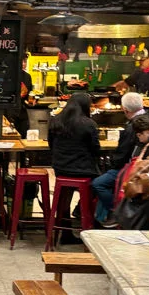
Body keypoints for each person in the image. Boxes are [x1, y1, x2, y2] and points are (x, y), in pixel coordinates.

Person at [48, 92, 101, 240]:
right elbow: (95, 150)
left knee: (65, 195)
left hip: (60, 168)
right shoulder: (89, 124)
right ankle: (87, 219)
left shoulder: (55, 121)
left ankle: (65, 230)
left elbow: (51, 145)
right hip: (83, 170)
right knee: (101, 183)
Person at [91, 94, 146, 222]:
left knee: (98, 184)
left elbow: (121, 156)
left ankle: (117, 211)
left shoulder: (132, 126)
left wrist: (111, 163)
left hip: (130, 169)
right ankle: (102, 216)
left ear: (125, 109)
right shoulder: (147, 119)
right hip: (139, 167)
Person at [94, 112, 149, 219]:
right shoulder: (139, 142)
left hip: (134, 176)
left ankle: (116, 211)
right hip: (128, 171)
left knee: (99, 184)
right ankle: (110, 214)